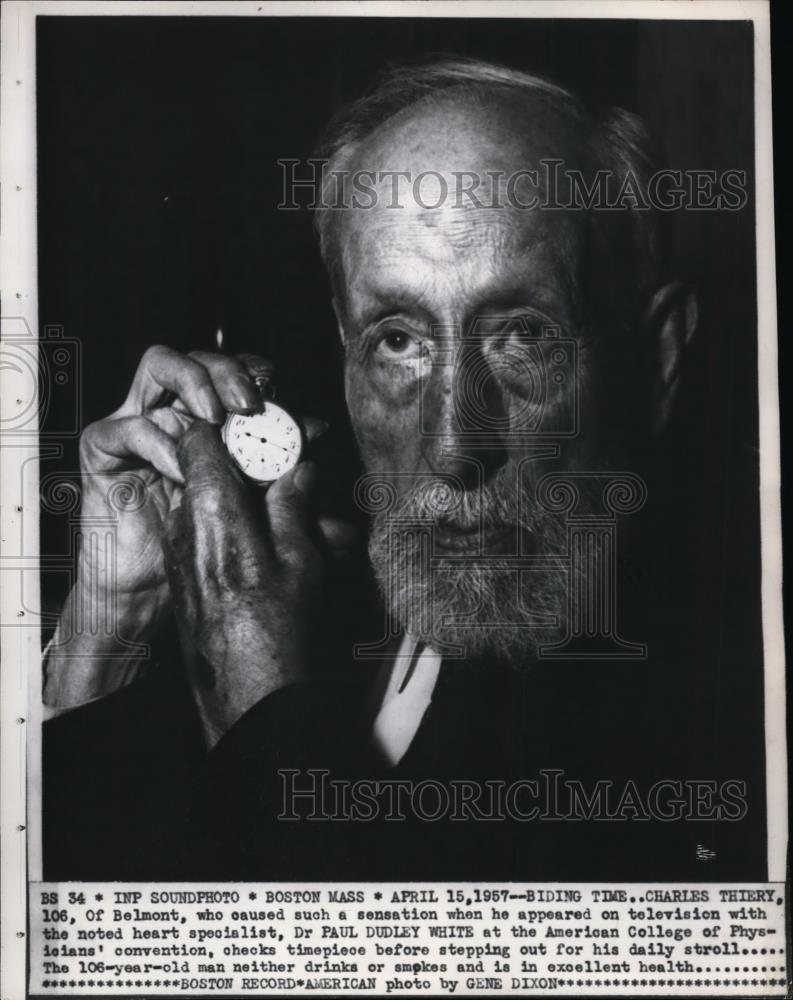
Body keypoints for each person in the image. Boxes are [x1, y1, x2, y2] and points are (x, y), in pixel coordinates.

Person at [42, 60, 761, 881]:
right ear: (344, 354)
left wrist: (261, 710)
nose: (454, 447)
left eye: (521, 335)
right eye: (397, 339)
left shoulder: (718, 717)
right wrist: (108, 632)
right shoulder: (321, 598)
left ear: (658, 360)